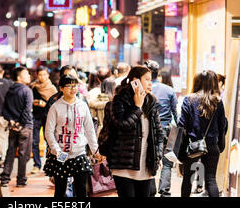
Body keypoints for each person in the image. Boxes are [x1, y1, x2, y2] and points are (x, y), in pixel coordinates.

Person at [105, 66, 164, 197]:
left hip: (146, 167)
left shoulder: (151, 101)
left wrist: (158, 154)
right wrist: (137, 107)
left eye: (151, 80)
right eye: (147, 79)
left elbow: (158, 133)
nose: (150, 83)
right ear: (135, 81)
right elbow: (122, 125)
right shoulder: (120, 100)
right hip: (124, 166)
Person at [44, 75, 104, 197]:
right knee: (60, 189)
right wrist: (57, 150)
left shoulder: (82, 105)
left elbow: (89, 130)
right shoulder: (55, 107)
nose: (73, 89)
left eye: (75, 85)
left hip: (79, 153)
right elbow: (49, 132)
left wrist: (95, 150)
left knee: (81, 189)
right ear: (61, 88)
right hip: (60, 154)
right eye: (69, 86)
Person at [178, 70, 228, 197]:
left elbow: (181, 125)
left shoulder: (189, 100)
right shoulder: (218, 101)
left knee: (188, 179)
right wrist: (220, 143)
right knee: (211, 179)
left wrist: (181, 149)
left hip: (193, 145)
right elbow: (222, 124)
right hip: (212, 145)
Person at [144, 60, 178, 197]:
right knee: (167, 162)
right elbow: (176, 114)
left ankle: (151, 189)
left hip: (149, 130)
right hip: (167, 130)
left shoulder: (144, 90)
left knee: (148, 160)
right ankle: (164, 190)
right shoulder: (169, 90)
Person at [0, 66, 34, 187]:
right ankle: (21, 179)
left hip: (13, 126)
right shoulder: (27, 91)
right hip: (25, 127)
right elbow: (27, 110)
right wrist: (21, 123)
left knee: (11, 151)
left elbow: (4, 109)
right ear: (19, 77)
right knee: (24, 154)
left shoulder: (10, 90)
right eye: (26, 74)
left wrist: (12, 121)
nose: (29, 76)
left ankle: (5, 178)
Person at [30, 66, 57, 174]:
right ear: (37, 75)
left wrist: (45, 104)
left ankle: (49, 165)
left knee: (49, 142)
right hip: (35, 116)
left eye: (44, 74)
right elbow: (30, 100)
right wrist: (34, 102)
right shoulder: (33, 87)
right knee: (34, 141)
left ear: (48, 75)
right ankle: (37, 164)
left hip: (48, 118)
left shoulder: (52, 88)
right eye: (40, 75)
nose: (42, 77)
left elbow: (55, 105)